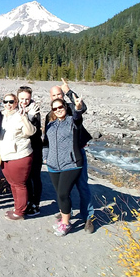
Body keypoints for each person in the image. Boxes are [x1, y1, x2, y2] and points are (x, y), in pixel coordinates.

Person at [45, 78, 94, 233]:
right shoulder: (50, 116)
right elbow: (47, 139)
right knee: (62, 190)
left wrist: (69, 91)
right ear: (50, 98)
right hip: (57, 160)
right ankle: (67, 213)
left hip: (76, 155)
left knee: (82, 186)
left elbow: (81, 109)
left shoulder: (71, 108)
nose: (57, 98)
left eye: (60, 94)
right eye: (54, 96)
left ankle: (88, 217)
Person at [43, 96, 85, 236]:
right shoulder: (50, 125)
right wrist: (46, 157)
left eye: (60, 107)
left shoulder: (72, 121)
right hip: (53, 165)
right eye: (55, 108)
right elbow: (46, 143)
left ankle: (66, 224)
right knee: (60, 195)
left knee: (62, 194)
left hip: (71, 163)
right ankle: (64, 218)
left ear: (65, 107)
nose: (58, 110)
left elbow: (78, 118)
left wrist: (78, 108)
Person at [0, 93, 37, 220]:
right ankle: (17, 208)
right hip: (5, 155)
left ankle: (20, 212)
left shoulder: (20, 115)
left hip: (19, 155)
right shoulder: (2, 115)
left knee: (19, 184)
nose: (8, 104)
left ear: (16, 102)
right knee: (12, 183)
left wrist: (24, 118)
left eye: (11, 101)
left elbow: (31, 131)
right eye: (5, 101)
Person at [17, 86, 42, 216]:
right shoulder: (16, 108)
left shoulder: (34, 110)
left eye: (27, 99)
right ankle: (26, 202)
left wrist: (30, 116)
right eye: (22, 98)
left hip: (34, 146)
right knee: (25, 176)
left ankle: (35, 204)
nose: (24, 101)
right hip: (22, 147)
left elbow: (33, 130)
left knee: (35, 176)